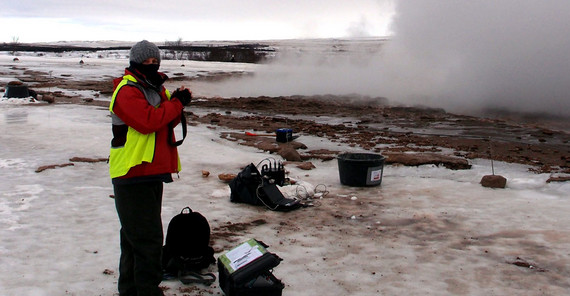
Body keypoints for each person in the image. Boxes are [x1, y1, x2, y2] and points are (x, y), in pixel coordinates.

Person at [108, 40, 192, 296]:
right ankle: (146, 291)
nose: (152, 66)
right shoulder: (127, 90)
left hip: (151, 172)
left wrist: (179, 101)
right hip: (132, 172)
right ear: (135, 62)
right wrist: (175, 104)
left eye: (155, 62)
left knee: (135, 238)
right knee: (147, 240)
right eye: (146, 62)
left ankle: (131, 290)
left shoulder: (155, 88)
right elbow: (148, 121)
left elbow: (168, 119)